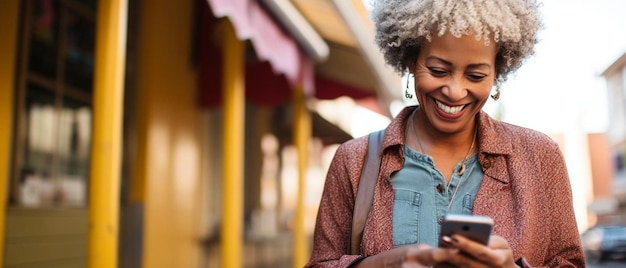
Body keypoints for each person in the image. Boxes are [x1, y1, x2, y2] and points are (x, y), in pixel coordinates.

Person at [305, 0, 585, 267]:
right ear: (411, 61)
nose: (454, 91)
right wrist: (382, 264)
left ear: (497, 72)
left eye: (475, 76)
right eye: (438, 70)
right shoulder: (355, 160)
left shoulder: (539, 157)